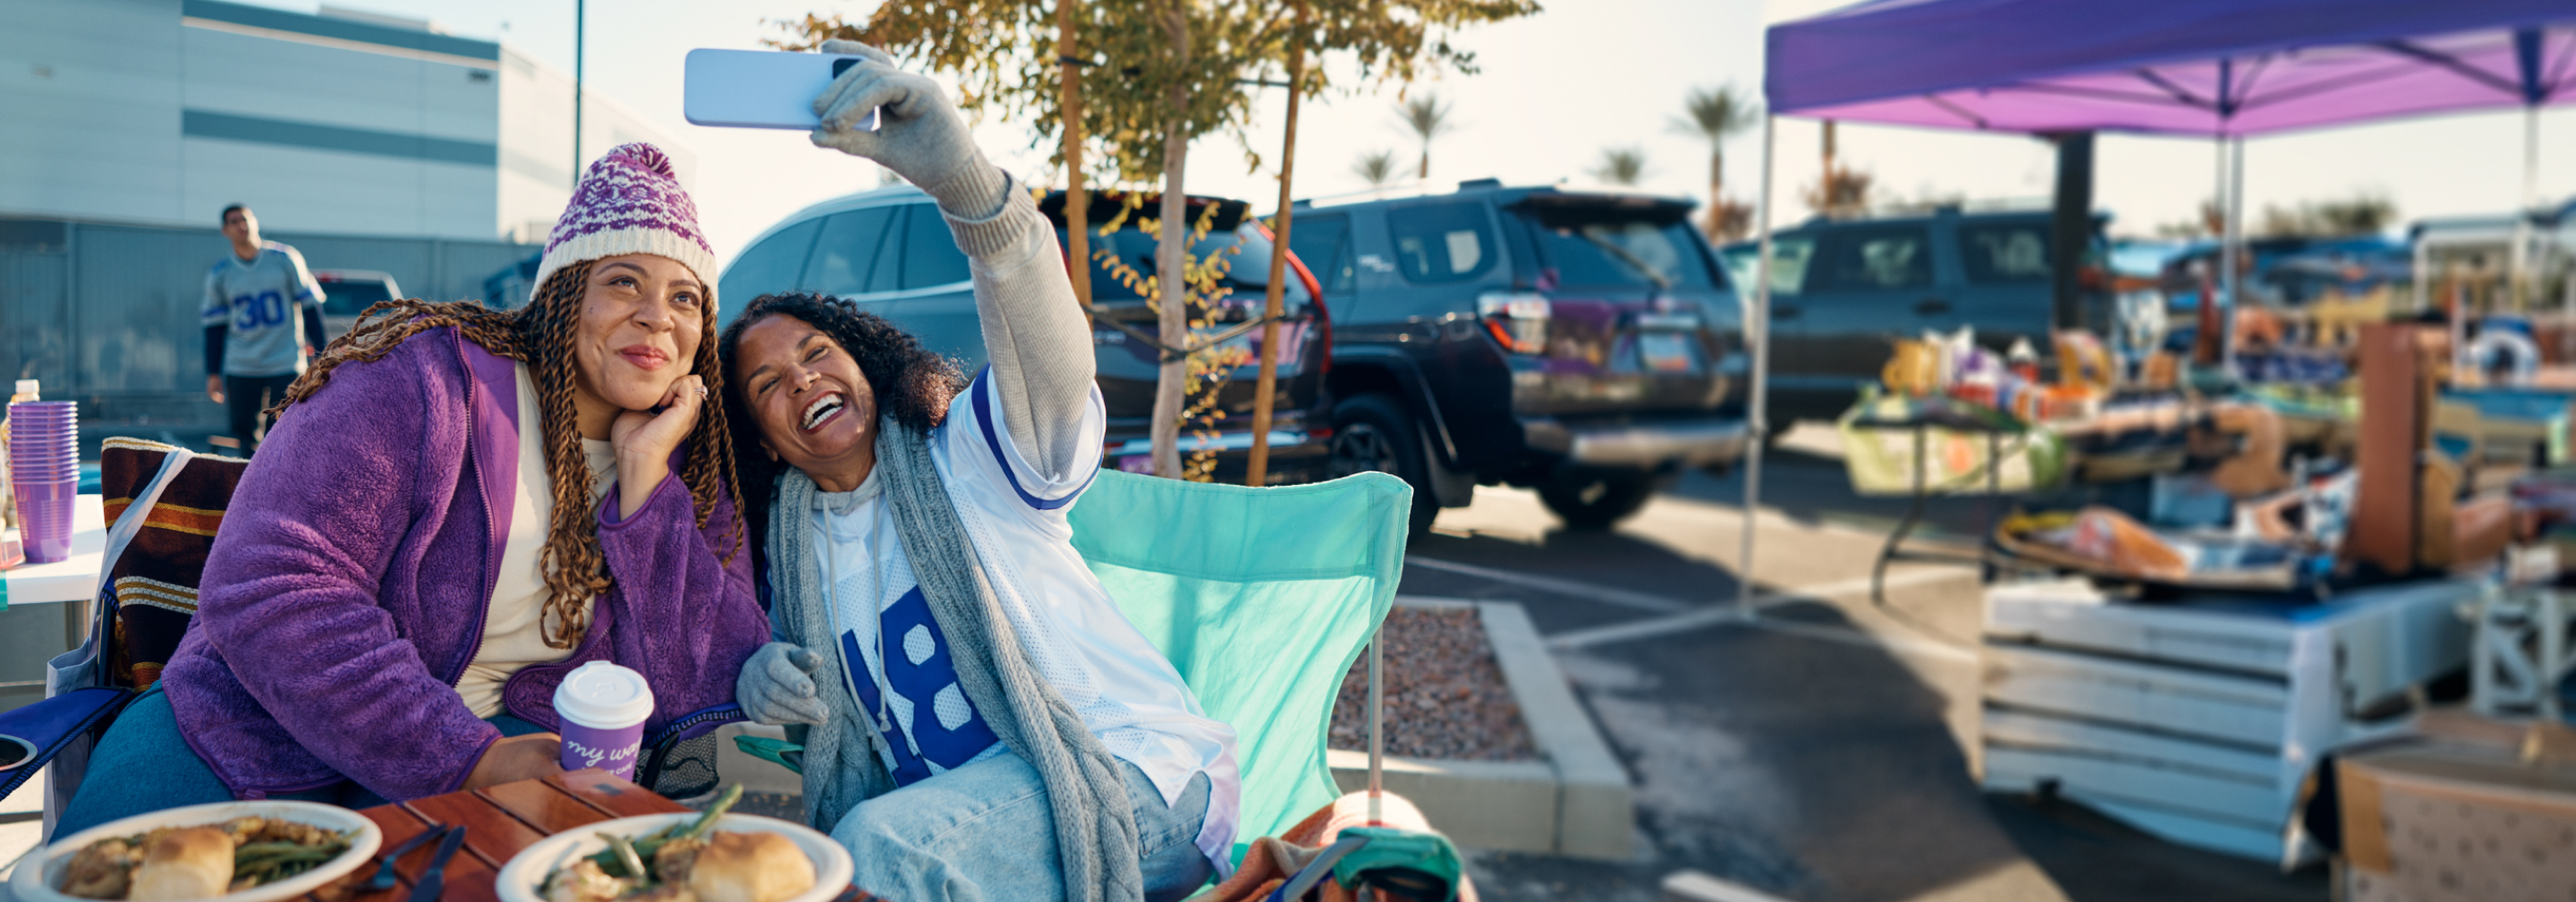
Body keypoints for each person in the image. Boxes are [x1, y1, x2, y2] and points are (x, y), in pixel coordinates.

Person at [58, 145, 770, 833]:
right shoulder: (421, 380)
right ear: (562, 293)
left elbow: (704, 683)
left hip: (517, 741)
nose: (658, 316)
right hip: (250, 730)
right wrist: (466, 758)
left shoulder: (687, 462)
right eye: (624, 281)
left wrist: (645, 486)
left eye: (686, 298)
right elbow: (270, 586)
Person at [719, 42, 1237, 902]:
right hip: (977, 833)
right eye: (769, 384)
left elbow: (1057, 371)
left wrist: (970, 191)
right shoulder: (790, 557)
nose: (803, 378)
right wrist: (759, 678)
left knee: (871, 855)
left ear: (866, 367)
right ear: (766, 441)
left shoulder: (971, 459)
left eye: (817, 353)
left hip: (1132, 779)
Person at [201, 204, 330, 455]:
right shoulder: (220, 273)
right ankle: (252, 491)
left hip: (284, 360)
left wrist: (323, 355)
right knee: (245, 436)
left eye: (246, 219)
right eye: (234, 221)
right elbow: (214, 326)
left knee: (286, 431)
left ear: (255, 222)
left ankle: (283, 489)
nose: (242, 225)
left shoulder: (285, 259)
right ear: (224, 230)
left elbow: (310, 308)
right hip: (242, 364)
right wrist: (213, 372)